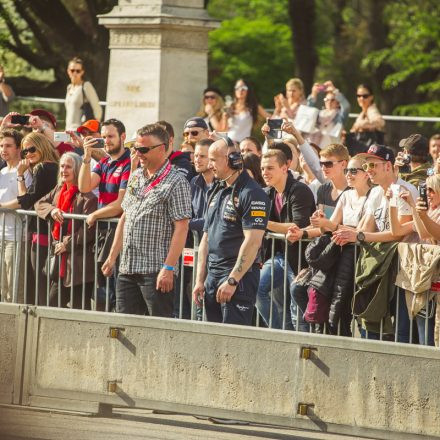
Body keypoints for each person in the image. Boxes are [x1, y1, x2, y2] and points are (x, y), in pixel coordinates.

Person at [102, 123, 191, 317]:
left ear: (161, 149)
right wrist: (112, 257)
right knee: (124, 327)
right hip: (128, 267)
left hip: (155, 270)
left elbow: (182, 228)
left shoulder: (177, 182)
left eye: (143, 149)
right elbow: (125, 217)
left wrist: (168, 267)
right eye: (135, 148)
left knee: (158, 330)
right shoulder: (135, 177)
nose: (138, 153)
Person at [289, 155, 371, 335]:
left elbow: (360, 233)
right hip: (336, 257)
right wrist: (311, 228)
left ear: (366, 174)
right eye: (347, 170)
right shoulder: (347, 195)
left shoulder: (372, 196)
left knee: (346, 310)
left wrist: (329, 225)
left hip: (357, 260)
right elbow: (329, 227)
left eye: (353, 171)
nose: (348, 174)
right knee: (301, 290)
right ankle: (322, 334)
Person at [192, 138, 269, 325]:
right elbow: (206, 238)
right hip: (212, 276)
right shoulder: (216, 189)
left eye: (213, 160)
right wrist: (200, 280)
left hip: (237, 279)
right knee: (213, 340)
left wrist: (233, 281)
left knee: (233, 343)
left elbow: (252, 242)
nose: (210, 165)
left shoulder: (252, 193)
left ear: (231, 159)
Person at [258, 149, 315, 330]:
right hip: (279, 256)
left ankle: (303, 347)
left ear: (285, 168)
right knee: (257, 290)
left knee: (297, 309)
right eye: (262, 168)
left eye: (270, 168)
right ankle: (280, 334)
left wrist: (264, 223)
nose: (265, 172)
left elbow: (297, 226)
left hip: (300, 259)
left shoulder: (300, 190)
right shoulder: (267, 193)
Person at [0, 132, 59, 305]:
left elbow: (25, 201)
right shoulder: (47, 167)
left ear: (42, 146)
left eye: (32, 149)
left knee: (34, 284)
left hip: (41, 232)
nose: (29, 154)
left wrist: (20, 175)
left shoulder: (43, 168)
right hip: (43, 231)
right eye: (25, 152)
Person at [78, 118, 130, 310]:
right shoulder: (104, 162)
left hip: (120, 232)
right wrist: (86, 157)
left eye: (111, 136)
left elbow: (121, 205)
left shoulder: (128, 162)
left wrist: (95, 214)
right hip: (103, 232)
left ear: (122, 137)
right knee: (102, 291)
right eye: (104, 137)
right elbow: (84, 186)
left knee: (115, 290)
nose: (106, 141)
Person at [35, 152, 97, 310]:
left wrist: (66, 244)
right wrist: (52, 210)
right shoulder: (58, 189)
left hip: (79, 267)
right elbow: (39, 204)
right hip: (60, 264)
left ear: (77, 169)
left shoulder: (88, 197)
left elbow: (89, 230)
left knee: (79, 312)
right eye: (62, 166)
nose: (64, 170)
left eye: (68, 166)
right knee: (51, 307)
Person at [0, 129, 32, 303]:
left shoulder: (25, 170)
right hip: (0, 234)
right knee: (2, 288)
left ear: (19, 148)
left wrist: (2, 207)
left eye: (8, 146)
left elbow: (23, 201)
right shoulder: (2, 172)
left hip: (16, 236)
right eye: (1, 146)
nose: (4, 149)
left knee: (14, 287)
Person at [307, 80, 350, 147]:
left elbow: (346, 106)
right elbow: (307, 112)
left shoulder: (339, 116)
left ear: (338, 103)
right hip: (315, 148)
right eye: (326, 100)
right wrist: (313, 94)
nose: (329, 102)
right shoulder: (319, 114)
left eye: (332, 100)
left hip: (331, 151)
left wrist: (335, 90)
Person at [65, 57, 102, 130]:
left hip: (80, 131)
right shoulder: (69, 87)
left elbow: (97, 110)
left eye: (78, 71)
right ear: (68, 71)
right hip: (67, 130)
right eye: (72, 70)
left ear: (82, 72)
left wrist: (94, 130)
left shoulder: (86, 86)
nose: (75, 73)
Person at [348, 84, 385, 154]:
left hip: (369, 152)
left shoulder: (371, 109)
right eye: (358, 96)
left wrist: (360, 125)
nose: (361, 98)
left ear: (371, 97)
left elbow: (380, 121)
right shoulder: (363, 112)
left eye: (365, 96)